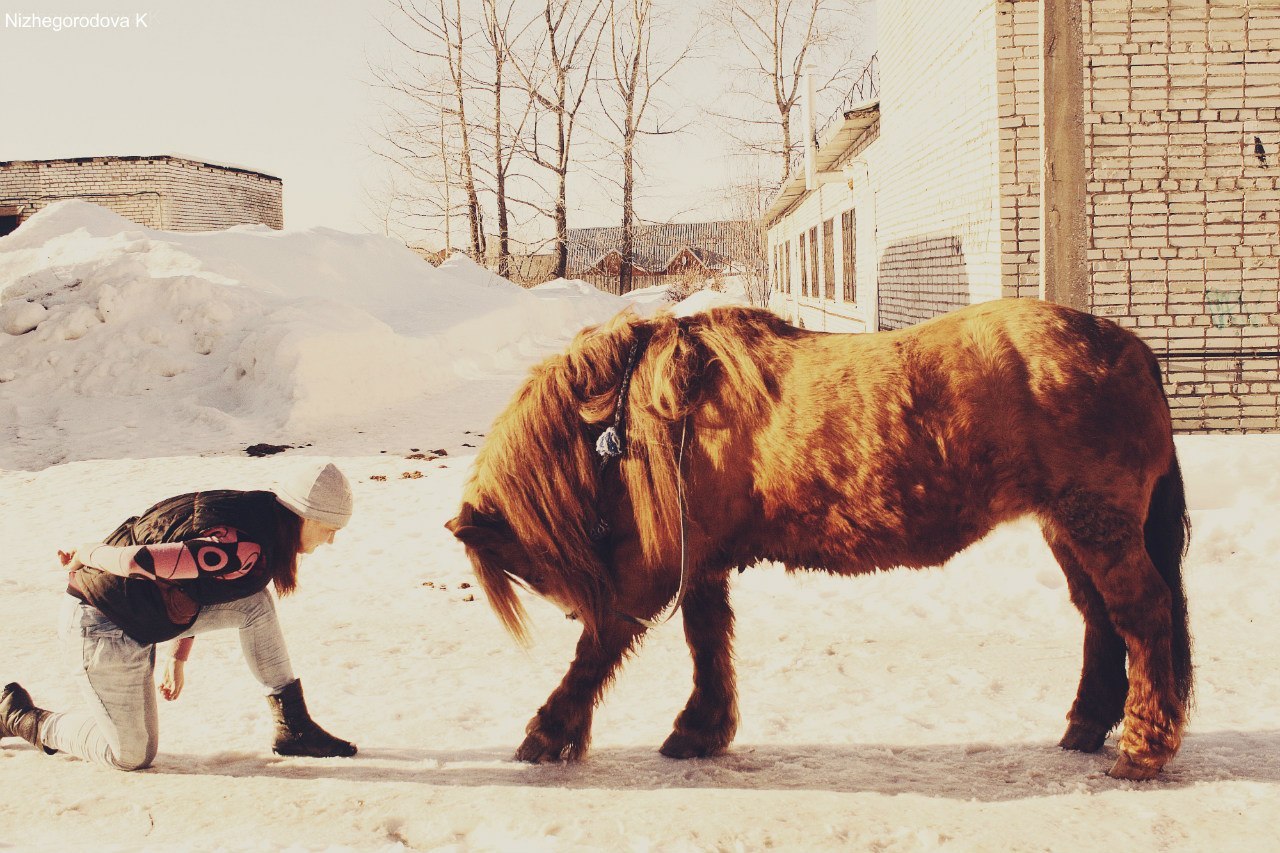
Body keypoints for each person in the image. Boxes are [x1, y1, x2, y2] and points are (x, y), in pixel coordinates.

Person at [0, 461, 358, 770]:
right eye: (329, 529)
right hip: (101, 630)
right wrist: (88, 551)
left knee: (254, 604)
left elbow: (196, 580)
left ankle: (293, 727)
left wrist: (178, 656)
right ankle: (20, 717)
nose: (330, 541)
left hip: (132, 616)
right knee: (130, 755)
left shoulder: (254, 512)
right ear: (304, 516)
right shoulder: (243, 548)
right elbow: (136, 562)